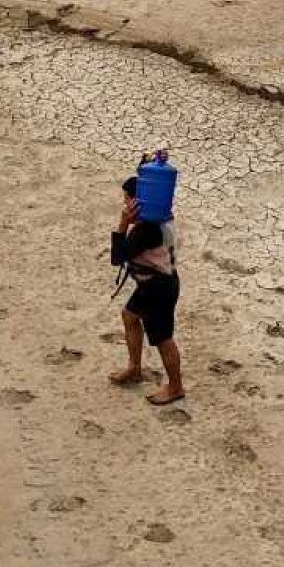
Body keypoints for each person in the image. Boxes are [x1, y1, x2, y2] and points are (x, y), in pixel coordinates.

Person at [107, 166, 184, 405]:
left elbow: (117, 257)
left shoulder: (147, 231)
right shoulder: (160, 219)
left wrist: (122, 224)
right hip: (156, 285)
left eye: (127, 199)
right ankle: (135, 368)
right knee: (129, 316)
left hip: (157, 289)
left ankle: (175, 387)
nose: (125, 203)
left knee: (163, 339)